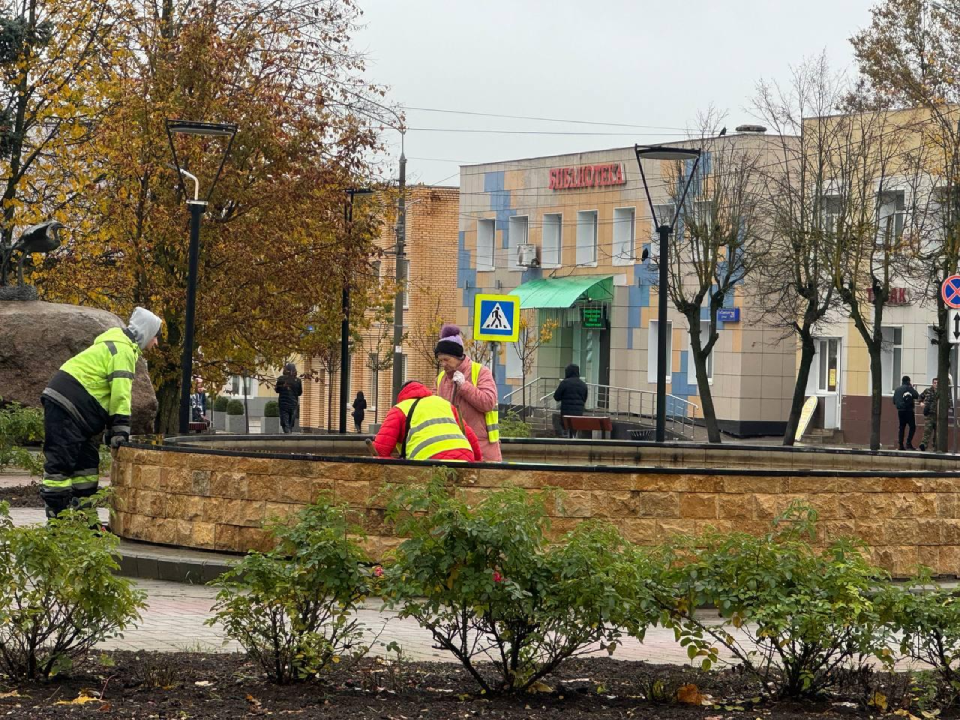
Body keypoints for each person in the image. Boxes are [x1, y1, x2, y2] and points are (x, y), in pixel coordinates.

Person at [39, 307, 162, 519]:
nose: (157, 343)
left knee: (86, 465)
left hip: (72, 408)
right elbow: (120, 395)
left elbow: (103, 392)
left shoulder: (118, 345)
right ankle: (57, 522)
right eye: (156, 336)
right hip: (66, 406)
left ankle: (85, 521)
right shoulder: (123, 351)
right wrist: (121, 430)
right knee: (60, 465)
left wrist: (110, 428)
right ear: (147, 332)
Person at [435, 324, 502, 461]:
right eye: (440, 360)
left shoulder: (480, 372)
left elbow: (488, 402)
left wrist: (464, 386)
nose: (443, 364)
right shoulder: (441, 378)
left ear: (458, 357)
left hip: (482, 447)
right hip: (452, 445)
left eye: (446, 359)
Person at [372, 381, 481, 462]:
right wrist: (478, 464)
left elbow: (381, 449)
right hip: (465, 457)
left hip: (426, 460)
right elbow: (471, 437)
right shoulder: (443, 403)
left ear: (401, 395)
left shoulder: (399, 409)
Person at [554, 363, 589, 437]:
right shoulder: (583, 385)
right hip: (578, 416)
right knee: (574, 428)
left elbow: (556, 397)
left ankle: (564, 436)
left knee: (557, 419)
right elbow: (584, 399)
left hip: (566, 415)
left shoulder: (564, 383)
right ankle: (574, 437)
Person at [920, 376, 953, 451]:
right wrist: (921, 403)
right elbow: (920, 397)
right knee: (927, 430)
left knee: (937, 432)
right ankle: (923, 445)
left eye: (937, 383)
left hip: (939, 415)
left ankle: (936, 447)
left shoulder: (942, 392)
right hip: (929, 414)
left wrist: (944, 409)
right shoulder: (927, 391)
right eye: (934, 383)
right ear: (932, 384)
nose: (936, 384)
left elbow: (948, 403)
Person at [892, 375, 920, 450]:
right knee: (912, 427)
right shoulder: (908, 388)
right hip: (908, 410)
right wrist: (911, 388)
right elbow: (916, 395)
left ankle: (900, 444)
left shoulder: (897, 389)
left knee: (901, 427)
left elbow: (894, 401)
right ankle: (908, 443)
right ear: (908, 381)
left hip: (900, 411)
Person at [275, 362, 302, 434]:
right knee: (290, 423)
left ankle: (288, 437)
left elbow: (277, 390)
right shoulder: (298, 381)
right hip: (293, 404)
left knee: (285, 423)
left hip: (283, 404)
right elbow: (300, 393)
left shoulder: (281, 379)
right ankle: (289, 436)